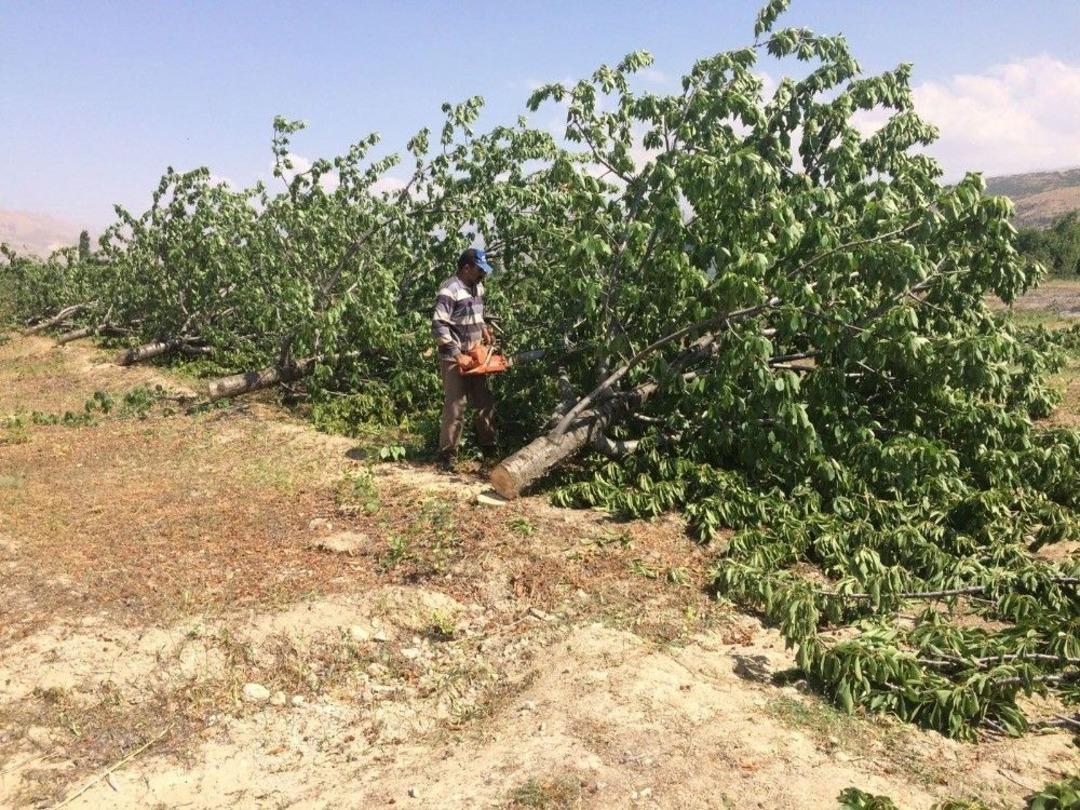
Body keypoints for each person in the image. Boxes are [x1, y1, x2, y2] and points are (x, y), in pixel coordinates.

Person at [431, 248, 498, 470]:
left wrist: (484, 329)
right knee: (456, 405)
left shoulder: (478, 287)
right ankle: (447, 456)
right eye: (479, 270)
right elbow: (439, 325)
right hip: (454, 356)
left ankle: (489, 449)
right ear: (466, 268)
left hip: (476, 354)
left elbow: (478, 315)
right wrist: (457, 354)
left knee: (484, 401)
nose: (482, 274)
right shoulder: (450, 290)